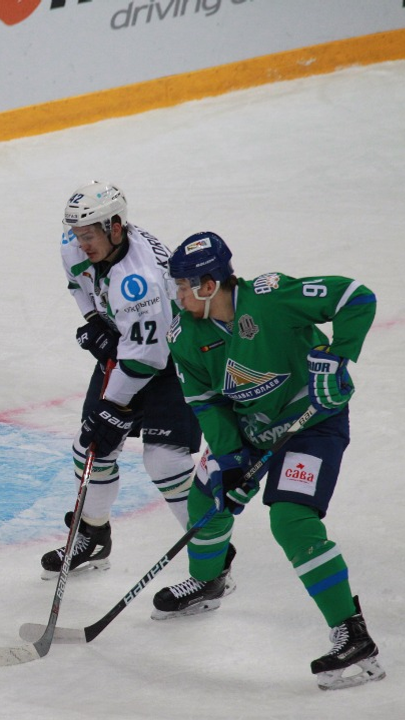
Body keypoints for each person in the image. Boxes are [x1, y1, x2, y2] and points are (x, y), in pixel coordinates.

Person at [156, 230, 385, 691]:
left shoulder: (270, 297)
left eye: (182, 286)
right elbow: (205, 401)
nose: (177, 295)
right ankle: (208, 582)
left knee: (291, 520)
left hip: (312, 423)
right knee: (206, 500)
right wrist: (229, 459)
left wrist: (337, 358)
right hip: (251, 431)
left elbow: (356, 298)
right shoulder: (185, 334)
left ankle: (354, 634)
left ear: (208, 285)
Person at [41, 182, 203, 579]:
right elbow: (79, 284)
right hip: (133, 346)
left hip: (178, 357)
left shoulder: (140, 282)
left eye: (89, 236)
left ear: (115, 227)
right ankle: (93, 536)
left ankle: (211, 559)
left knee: (164, 460)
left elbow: (149, 358)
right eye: (77, 235)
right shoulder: (76, 243)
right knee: (90, 447)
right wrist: (95, 322)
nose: (81, 244)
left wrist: (113, 406)